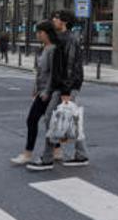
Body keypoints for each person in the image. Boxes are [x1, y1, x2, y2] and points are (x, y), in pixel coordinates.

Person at [27, 9, 88, 170]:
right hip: (61, 85)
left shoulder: (70, 39)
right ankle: (79, 154)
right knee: (67, 118)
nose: (53, 19)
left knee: (52, 118)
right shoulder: (59, 38)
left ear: (64, 22)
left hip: (68, 86)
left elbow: (68, 67)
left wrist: (66, 92)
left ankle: (48, 158)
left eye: (57, 18)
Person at [11, 20, 57, 165]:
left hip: (47, 93)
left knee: (32, 120)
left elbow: (53, 74)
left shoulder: (53, 49)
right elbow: (40, 72)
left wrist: (46, 92)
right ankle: (57, 151)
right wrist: (35, 88)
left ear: (47, 33)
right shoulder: (45, 48)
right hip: (41, 91)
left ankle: (27, 154)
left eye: (40, 32)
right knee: (50, 123)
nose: (37, 35)